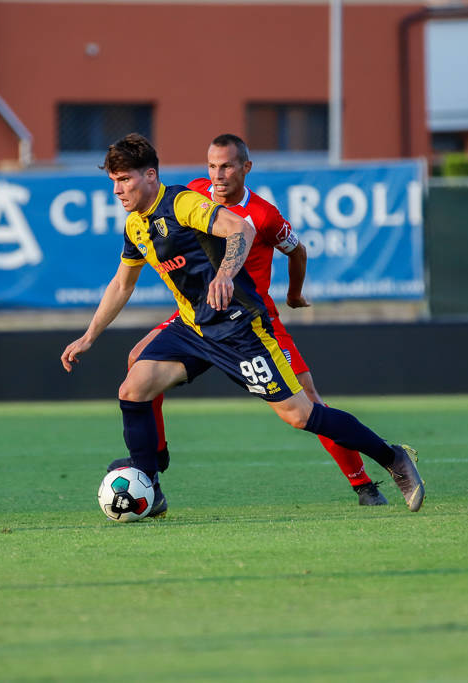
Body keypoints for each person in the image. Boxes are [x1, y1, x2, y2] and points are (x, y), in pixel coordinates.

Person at [61, 133, 424, 516]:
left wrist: (225, 275)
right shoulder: (136, 225)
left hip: (239, 327)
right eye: (113, 182)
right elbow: (122, 284)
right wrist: (88, 336)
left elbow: (242, 230)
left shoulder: (183, 204)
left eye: (124, 180)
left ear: (150, 175)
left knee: (300, 414)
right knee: (134, 387)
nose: (117, 190)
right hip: (193, 328)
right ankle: (149, 483)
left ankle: (393, 457)